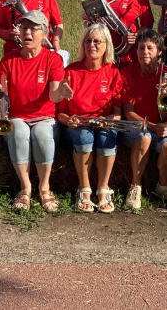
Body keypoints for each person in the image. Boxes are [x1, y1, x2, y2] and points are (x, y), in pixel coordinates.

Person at [0, 10, 68, 212]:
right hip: (18, 116)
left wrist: (62, 92)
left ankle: (44, 187)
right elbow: (4, 95)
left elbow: (54, 97)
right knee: (18, 131)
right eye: (24, 28)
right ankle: (25, 187)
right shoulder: (8, 60)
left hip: (44, 117)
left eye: (33, 28)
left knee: (42, 134)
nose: (27, 32)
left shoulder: (52, 60)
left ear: (44, 33)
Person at [57, 23, 124, 213]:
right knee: (84, 137)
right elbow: (60, 112)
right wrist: (69, 120)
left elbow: (118, 113)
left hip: (103, 123)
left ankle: (103, 189)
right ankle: (84, 189)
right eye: (88, 41)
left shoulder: (113, 72)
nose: (92, 45)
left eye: (97, 41)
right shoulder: (70, 71)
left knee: (106, 137)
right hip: (78, 126)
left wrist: (109, 120)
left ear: (106, 46)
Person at [119, 28, 167, 210]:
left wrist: (164, 97)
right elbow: (128, 112)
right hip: (136, 126)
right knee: (145, 137)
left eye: (150, 48)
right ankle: (135, 186)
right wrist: (153, 126)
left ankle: (163, 187)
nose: (145, 52)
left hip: (158, 125)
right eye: (141, 48)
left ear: (159, 52)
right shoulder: (127, 73)